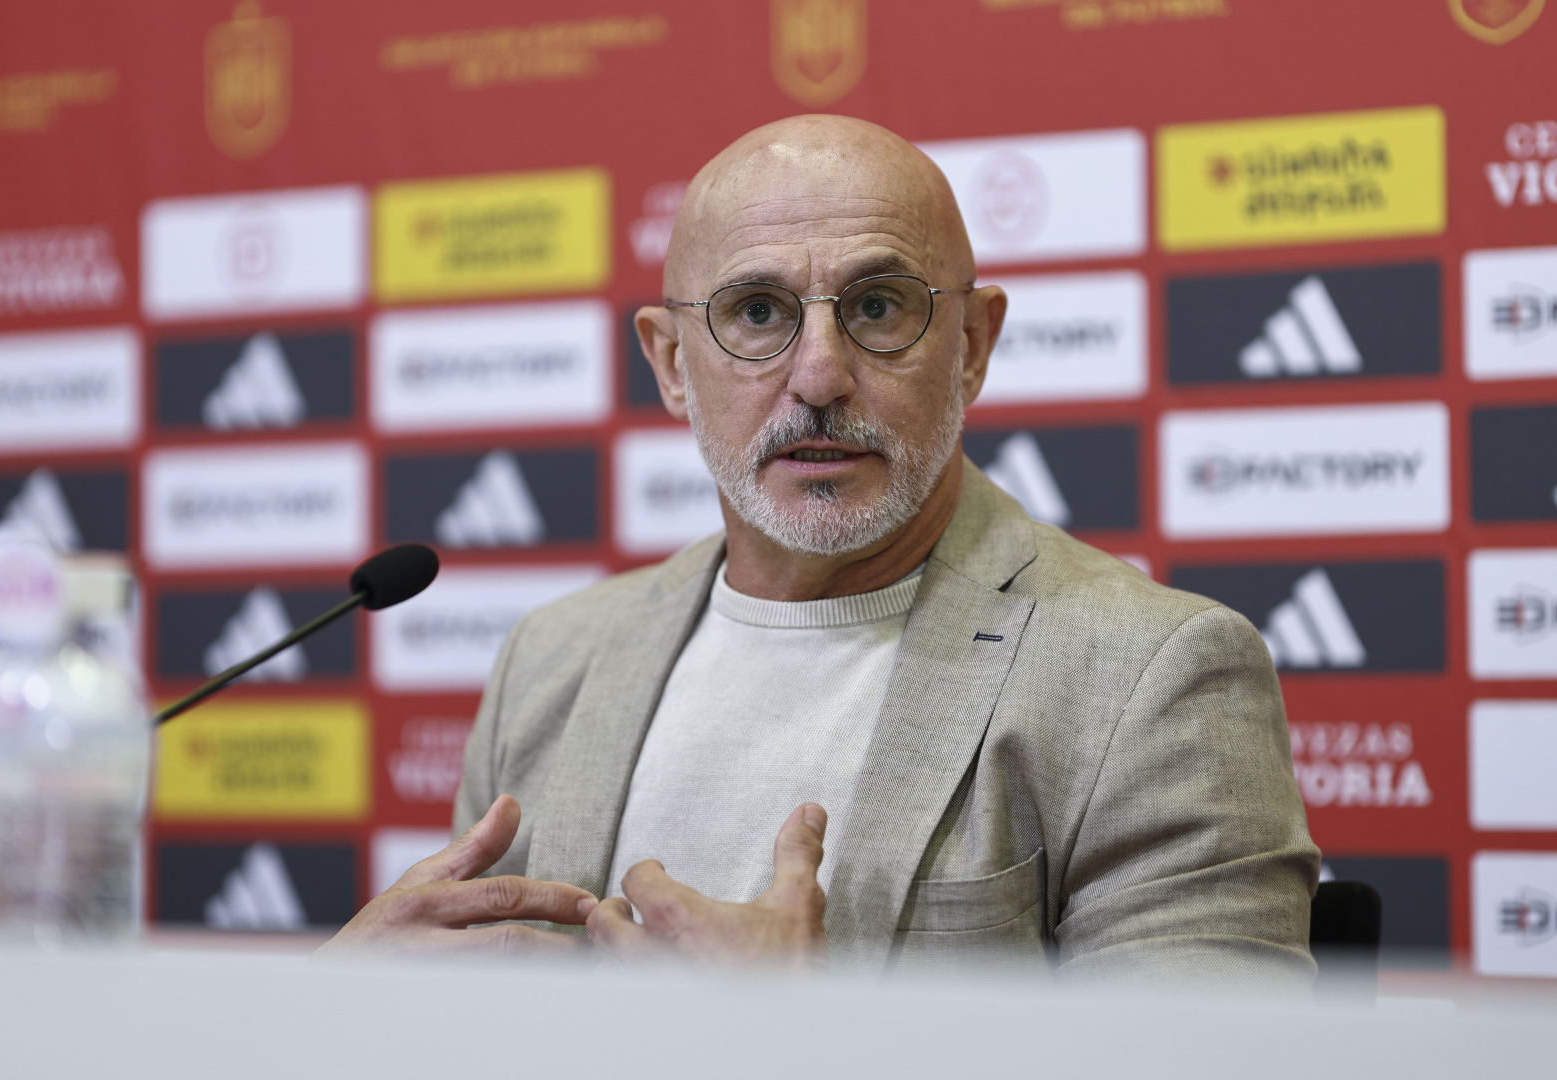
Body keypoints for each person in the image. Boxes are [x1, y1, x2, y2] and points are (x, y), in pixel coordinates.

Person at [321, 115, 1319, 981]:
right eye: (757, 313)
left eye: (878, 306)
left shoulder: (1153, 675)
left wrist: (806, 1042)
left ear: (972, 345)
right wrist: (352, 1010)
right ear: (672, 364)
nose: (819, 376)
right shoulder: (551, 661)